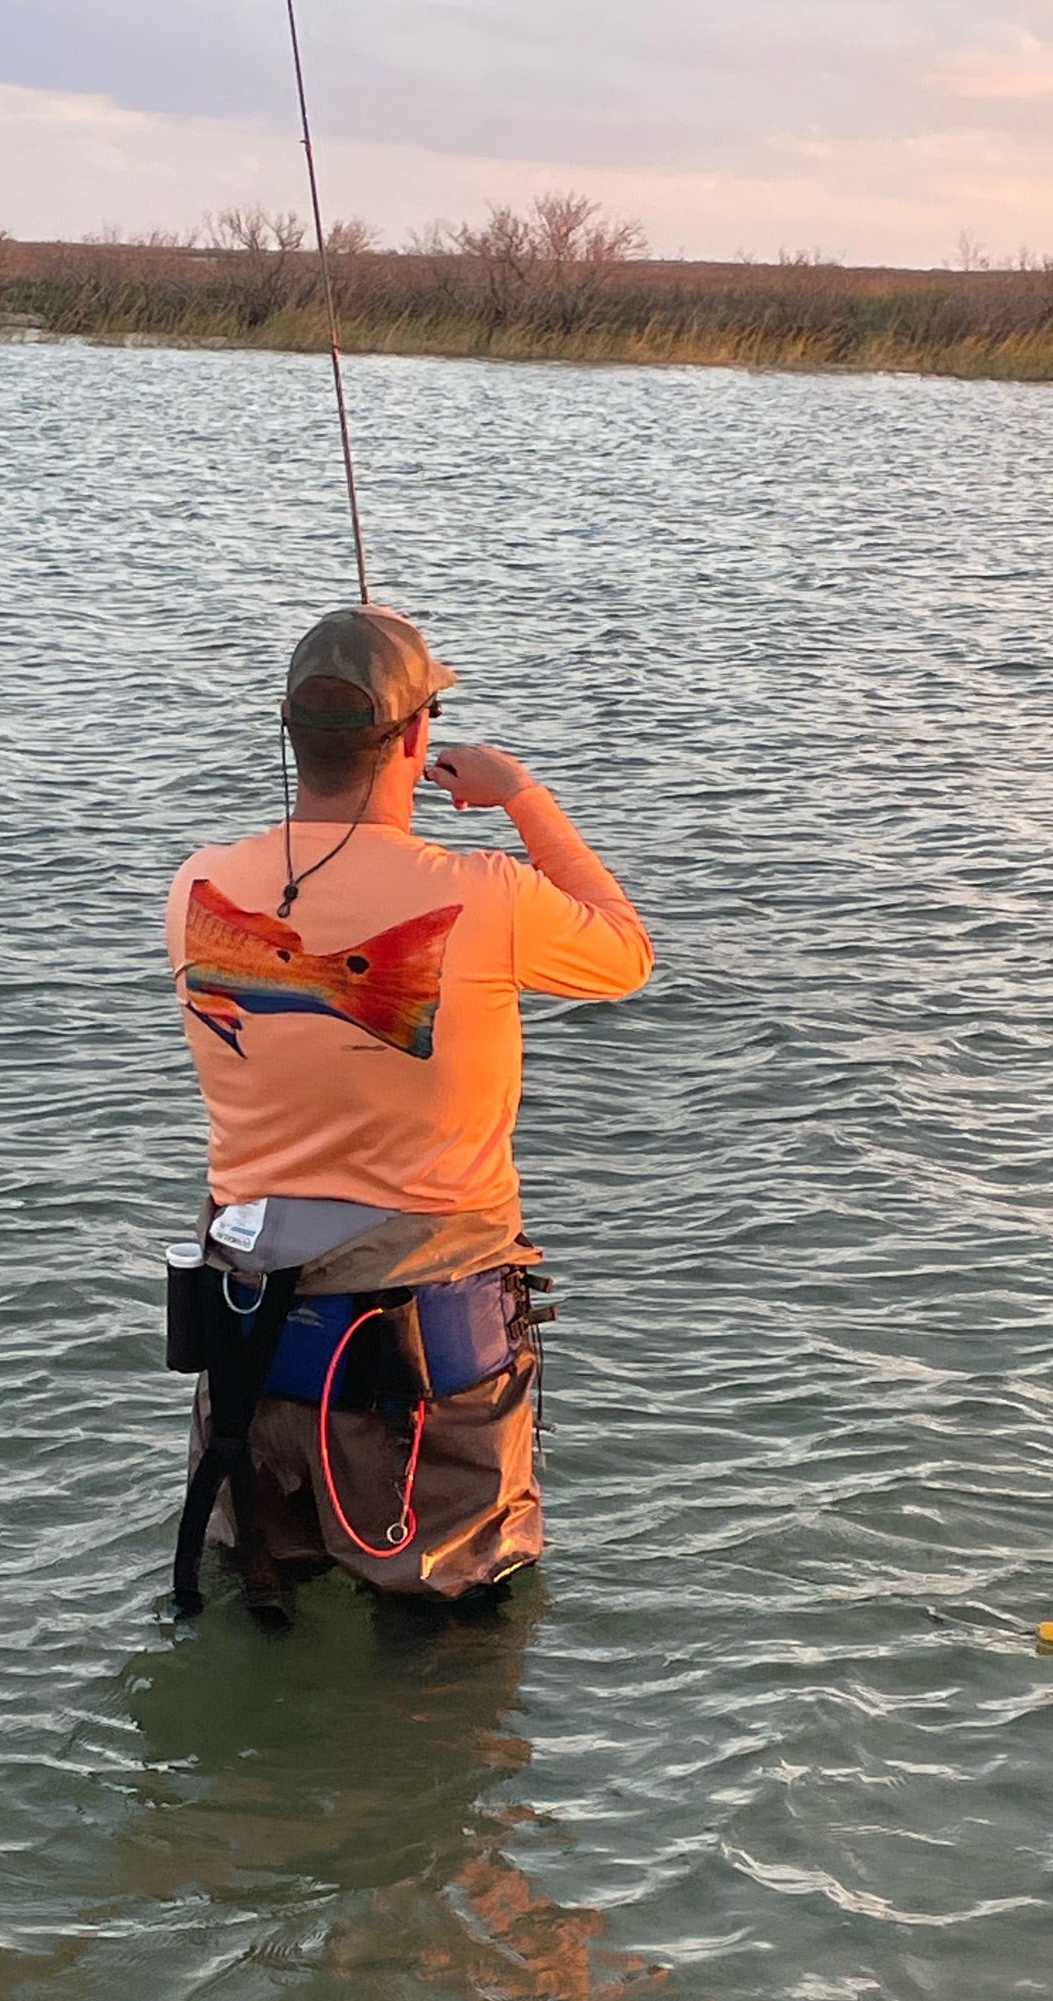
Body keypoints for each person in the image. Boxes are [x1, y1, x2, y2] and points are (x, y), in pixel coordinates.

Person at [165, 604, 652, 1608]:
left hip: (250, 1346)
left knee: (262, 1613)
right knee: (448, 1651)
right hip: (430, 1368)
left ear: (289, 736)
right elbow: (625, 954)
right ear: (418, 738)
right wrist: (521, 795)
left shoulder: (197, 885)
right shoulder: (484, 894)